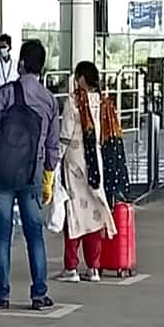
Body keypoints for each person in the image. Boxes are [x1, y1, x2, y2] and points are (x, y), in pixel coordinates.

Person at [0, 39, 61, 311]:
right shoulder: (50, 100)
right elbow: (53, 145)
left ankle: (2, 294)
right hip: (32, 173)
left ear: (21, 64)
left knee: (2, 235)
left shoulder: (7, 92)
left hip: (3, 171)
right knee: (34, 234)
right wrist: (49, 177)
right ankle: (39, 293)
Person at [57, 61, 116, 282]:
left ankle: (71, 267)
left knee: (74, 215)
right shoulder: (103, 102)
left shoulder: (72, 102)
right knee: (94, 213)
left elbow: (65, 135)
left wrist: (54, 159)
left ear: (82, 78)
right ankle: (94, 267)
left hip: (75, 165)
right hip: (95, 165)